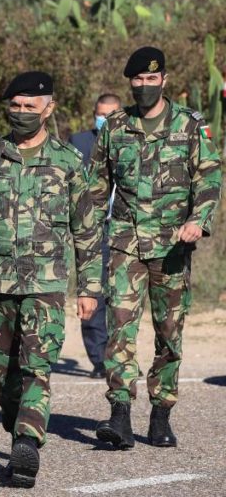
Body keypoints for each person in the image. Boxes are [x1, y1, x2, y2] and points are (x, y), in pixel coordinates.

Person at [0, 71, 101, 488]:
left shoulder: (69, 163)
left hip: (46, 286)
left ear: (48, 109)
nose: (20, 114)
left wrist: (90, 288)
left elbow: (86, 230)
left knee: (37, 367)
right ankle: (17, 423)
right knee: (7, 374)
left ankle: (27, 444)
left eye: (29, 107)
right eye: (14, 106)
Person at [90, 47, 221, 450]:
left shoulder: (189, 124)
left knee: (169, 332)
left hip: (172, 247)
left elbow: (210, 178)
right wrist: (88, 237)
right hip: (125, 244)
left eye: (152, 79)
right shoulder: (115, 126)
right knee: (120, 329)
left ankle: (161, 412)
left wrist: (198, 220)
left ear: (163, 79)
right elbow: (97, 187)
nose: (144, 86)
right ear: (130, 82)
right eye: (138, 80)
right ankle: (120, 414)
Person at [68, 93, 122, 379]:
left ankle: (121, 354)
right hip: (93, 230)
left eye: (110, 114)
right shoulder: (79, 143)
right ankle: (99, 357)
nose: (104, 119)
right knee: (93, 293)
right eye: (100, 114)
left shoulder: (132, 142)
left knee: (122, 297)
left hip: (126, 229)